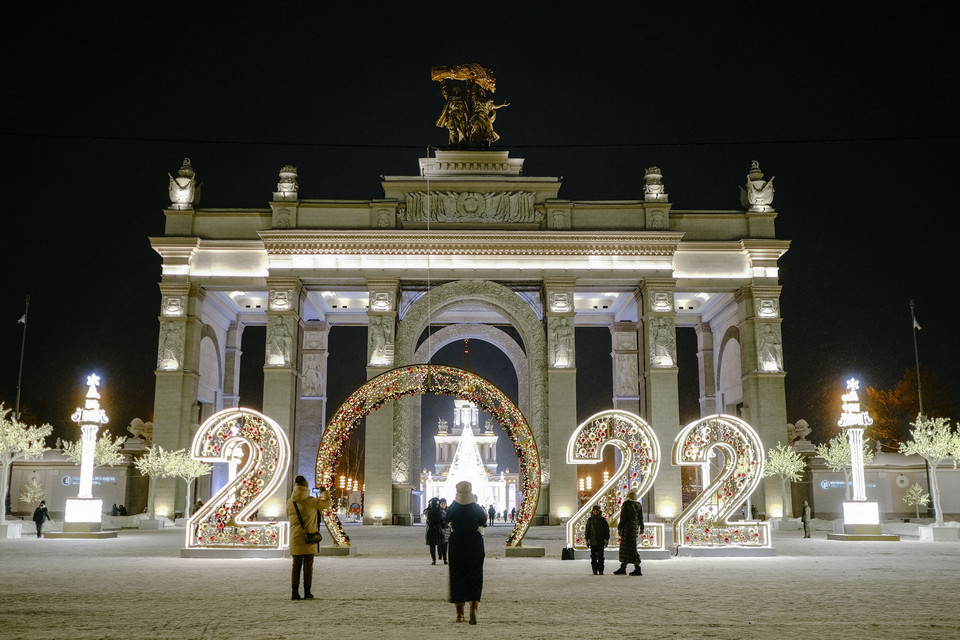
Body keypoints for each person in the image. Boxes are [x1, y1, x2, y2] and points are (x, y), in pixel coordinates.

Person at [445, 481, 487, 624]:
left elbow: (445, 520)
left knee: (457, 576)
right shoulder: (475, 507)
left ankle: (459, 614)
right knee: (475, 574)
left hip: (457, 542)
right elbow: (483, 521)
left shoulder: (453, 507)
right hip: (474, 542)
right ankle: (473, 608)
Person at [286, 475, 332, 600]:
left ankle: (294, 593)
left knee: (296, 565)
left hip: (295, 537)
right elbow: (328, 503)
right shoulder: (311, 501)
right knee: (308, 565)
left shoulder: (290, 502)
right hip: (309, 537)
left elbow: (288, 516)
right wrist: (324, 492)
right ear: (306, 486)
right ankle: (307, 592)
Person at [613, 490, 644, 576]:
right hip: (634, 529)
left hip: (627, 529)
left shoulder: (626, 504)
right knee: (631, 547)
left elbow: (623, 518)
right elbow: (641, 517)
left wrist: (619, 528)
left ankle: (635, 568)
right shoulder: (638, 505)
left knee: (627, 548)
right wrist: (642, 527)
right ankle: (624, 567)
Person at [584, 505, 610, 575]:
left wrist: (606, 539)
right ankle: (594, 570)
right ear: (592, 511)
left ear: (599, 511)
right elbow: (587, 530)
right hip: (593, 541)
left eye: (597, 510)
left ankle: (601, 570)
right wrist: (587, 539)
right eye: (594, 510)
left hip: (600, 541)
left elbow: (606, 530)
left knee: (601, 556)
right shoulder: (590, 520)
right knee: (593, 557)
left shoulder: (602, 520)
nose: (595, 511)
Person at [424, 497, 445, 565]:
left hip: (430, 530)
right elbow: (444, 520)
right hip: (439, 530)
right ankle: (445, 559)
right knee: (442, 545)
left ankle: (434, 560)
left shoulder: (427, 511)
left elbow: (425, 511)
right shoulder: (441, 511)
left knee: (432, 546)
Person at [438, 498, 450, 565]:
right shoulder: (438, 510)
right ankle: (440, 555)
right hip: (440, 528)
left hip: (447, 529)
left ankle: (444, 555)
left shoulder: (448, 510)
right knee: (439, 542)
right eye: (442, 503)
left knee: (446, 543)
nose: (443, 505)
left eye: (444, 503)